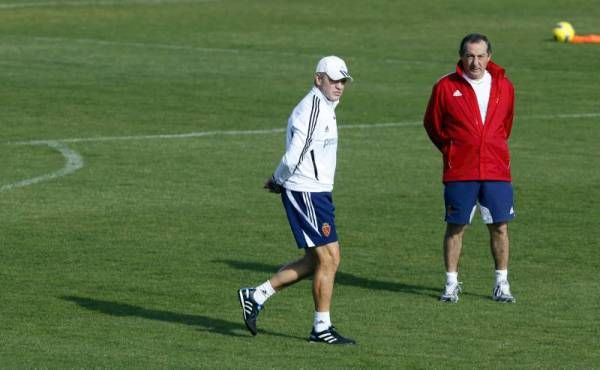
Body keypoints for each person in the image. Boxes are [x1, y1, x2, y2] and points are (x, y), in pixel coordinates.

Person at [238, 56, 355, 344]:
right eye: (334, 80)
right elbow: (295, 154)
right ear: (318, 79)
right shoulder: (311, 110)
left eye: (343, 81)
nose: (340, 86)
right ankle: (321, 328)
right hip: (306, 191)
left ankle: (256, 294)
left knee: (316, 260)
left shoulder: (327, 106)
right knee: (330, 258)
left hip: (317, 191)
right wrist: (278, 180)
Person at [423, 33, 516, 303]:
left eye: (480, 56)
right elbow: (433, 124)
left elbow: (505, 125)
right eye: (470, 56)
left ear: (489, 57)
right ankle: (451, 284)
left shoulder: (505, 86)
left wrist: (491, 147)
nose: (475, 62)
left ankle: (502, 284)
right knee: (456, 226)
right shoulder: (445, 87)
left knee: (500, 226)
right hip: (460, 170)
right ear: (461, 56)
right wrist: (453, 149)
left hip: (496, 169)